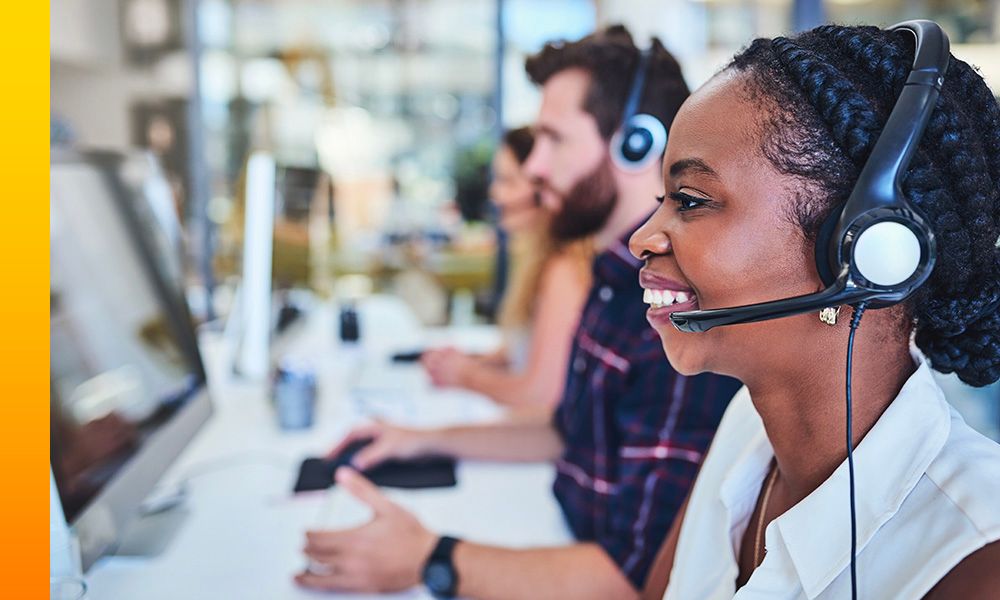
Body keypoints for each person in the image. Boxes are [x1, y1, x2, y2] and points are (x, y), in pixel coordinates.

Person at [295, 25, 742, 598]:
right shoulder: (612, 279)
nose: (533, 169)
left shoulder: (675, 308)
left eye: (554, 140)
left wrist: (431, 559)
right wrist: (423, 440)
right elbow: (569, 435)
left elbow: (638, 578)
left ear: (636, 144)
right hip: (558, 529)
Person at [631, 23, 1000, 599]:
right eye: (663, 201)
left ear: (867, 250)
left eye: (691, 201)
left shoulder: (977, 556)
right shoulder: (747, 431)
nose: (643, 238)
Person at [421, 127, 594, 408]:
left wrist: (466, 375)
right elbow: (525, 350)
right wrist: (469, 362)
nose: (495, 193)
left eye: (508, 181)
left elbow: (540, 397)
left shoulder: (564, 270)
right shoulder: (536, 260)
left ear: (545, 189)